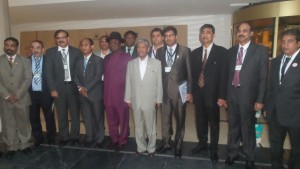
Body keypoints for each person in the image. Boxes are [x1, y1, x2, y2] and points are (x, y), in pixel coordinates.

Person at [225, 22, 269, 169]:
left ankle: (249, 156)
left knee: (247, 127)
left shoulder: (261, 51)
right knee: (233, 127)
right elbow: (227, 76)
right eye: (239, 31)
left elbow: (264, 77)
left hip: (249, 97)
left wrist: (260, 100)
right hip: (232, 95)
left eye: (245, 31)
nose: (241, 33)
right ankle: (232, 153)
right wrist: (225, 97)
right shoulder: (231, 51)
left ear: (251, 33)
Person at [190, 24, 228, 163]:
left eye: (208, 32)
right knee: (200, 121)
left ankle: (213, 148)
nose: (205, 35)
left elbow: (224, 76)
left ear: (213, 35)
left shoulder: (222, 52)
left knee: (214, 123)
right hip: (198, 95)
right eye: (203, 32)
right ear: (200, 35)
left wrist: (223, 96)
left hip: (214, 95)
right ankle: (202, 143)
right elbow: (193, 76)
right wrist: (191, 93)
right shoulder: (194, 53)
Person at [265, 29, 300, 169]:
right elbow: (271, 87)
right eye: (283, 42)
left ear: (298, 43)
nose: (285, 45)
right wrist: (268, 107)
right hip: (275, 113)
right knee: (275, 145)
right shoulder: (276, 61)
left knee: (297, 148)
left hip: (296, 114)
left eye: (290, 41)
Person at [156, 26, 193, 158]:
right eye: (166, 36)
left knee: (180, 120)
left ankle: (178, 146)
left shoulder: (185, 51)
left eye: (171, 35)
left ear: (176, 36)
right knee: (165, 120)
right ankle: (166, 143)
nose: (168, 38)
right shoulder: (159, 51)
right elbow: (158, 73)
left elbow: (189, 73)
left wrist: (190, 91)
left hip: (180, 93)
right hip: (164, 92)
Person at [125, 39, 163, 157]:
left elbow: (159, 83)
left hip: (150, 100)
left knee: (150, 127)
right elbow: (128, 82)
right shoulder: (131, 63)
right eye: (139, 47)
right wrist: (128, 98)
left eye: (143, 47)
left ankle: (151, 149)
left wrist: (158, 99)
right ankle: (140, 148)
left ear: (148, 49)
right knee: (138, 126)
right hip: (135, 100)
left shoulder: (156, 63)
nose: (140, 49)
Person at [45, 29, 81, 146]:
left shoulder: (77, 52)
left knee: (75, 114)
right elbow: (48, 73)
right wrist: (52, 89)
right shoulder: (50, 52)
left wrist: (80, 87)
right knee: (61, 114)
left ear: (68, 38)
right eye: (58, 38)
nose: (61, 39)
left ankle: (75, 136)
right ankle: (64, 137)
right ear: (56, 40)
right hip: (58, 89)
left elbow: (79, 71)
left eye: (63, 37)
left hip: (73, 87)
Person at [0, 37, 32, 158]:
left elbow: (28, 79)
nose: (9, 47)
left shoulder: (25, 61)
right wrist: (7, 95)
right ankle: (11, 146)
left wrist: (17, 95)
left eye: (12, 45)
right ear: (4, 47)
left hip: (22, 97)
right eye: (6, 45)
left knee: (23, 122)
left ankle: (25, 144)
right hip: (4, 99)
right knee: (8, 123)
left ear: (16, 47)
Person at [103, 32, 132, 151]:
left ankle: (123, 140)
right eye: (111, 42)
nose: (113, 44)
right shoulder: (106, 58)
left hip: (122, 96)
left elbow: (131, 79)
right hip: (108, 96)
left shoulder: (128, 58)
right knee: (111, 120)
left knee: (123, 120)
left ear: (120, 44)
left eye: (115, 42)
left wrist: (129, 97)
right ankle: (114, 139)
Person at [74, 38, 104, 148]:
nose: (83, 47)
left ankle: (99, 138)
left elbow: (97, 77)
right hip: (82, 94)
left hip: (95, 94)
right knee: (86, 117)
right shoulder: (78, 61)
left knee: (97, 117)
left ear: (92, 46)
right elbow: (75, 76)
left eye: (86, 45)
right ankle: (90, 137)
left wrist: (85, 88)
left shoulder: (98, 60)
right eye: (82, 45)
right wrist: (80, 88)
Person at [29, 40, 56, 147]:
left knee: (49, 117)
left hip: (46, 93)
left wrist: (54, 89)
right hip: (31, 94)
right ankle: (38, 138)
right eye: (33, 47)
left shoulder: (50, 60)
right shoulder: (26, 61)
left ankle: (51, 138)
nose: (35, 50)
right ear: (31, 49)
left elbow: (55, 76)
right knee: (33, 117)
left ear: (43, 49)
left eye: (38, 47)